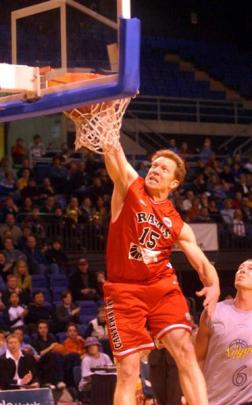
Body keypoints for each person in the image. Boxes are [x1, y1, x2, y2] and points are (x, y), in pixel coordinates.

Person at [102, 145, 220, 405]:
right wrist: (109, 130)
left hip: (161, 287)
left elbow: (201, 262)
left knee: (186, 350)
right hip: (124, 290)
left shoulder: (177, 222)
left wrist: (214, 286)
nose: (155, 170)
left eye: (163, 168)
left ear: (174, 182)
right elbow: (115, 156)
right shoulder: (130, 188)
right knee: (128, 370)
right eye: (153, 165)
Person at [195, 259, 252, 405]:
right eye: (240, 268)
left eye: (250, 268)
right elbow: (198, 359)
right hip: (213, 399)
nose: (242, 270)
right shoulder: (213, 312)